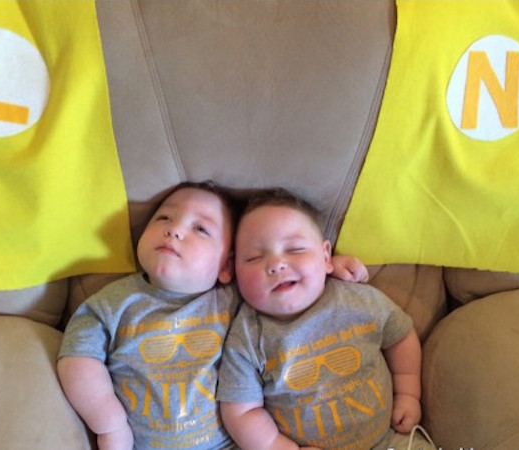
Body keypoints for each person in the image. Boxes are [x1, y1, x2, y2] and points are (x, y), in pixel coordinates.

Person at [57, 181, 368, 450]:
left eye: (200, 228)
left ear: (226, 267)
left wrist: (329, 268)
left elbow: (281, 287)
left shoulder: (232, 298)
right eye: (163, 217)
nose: (174, 229)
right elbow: (76, 358)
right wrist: (109, 423)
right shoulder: (111, 304)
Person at [216, 188, 436, 450]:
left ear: (325, 257)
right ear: (234, 272)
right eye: (254, 257)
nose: (276, 264)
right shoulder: (247, 337)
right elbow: (241, 411)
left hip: (389, 439)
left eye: (295, 249)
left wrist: (409, 394)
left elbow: (399, 336)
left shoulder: (359, 300)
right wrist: (280, 447)